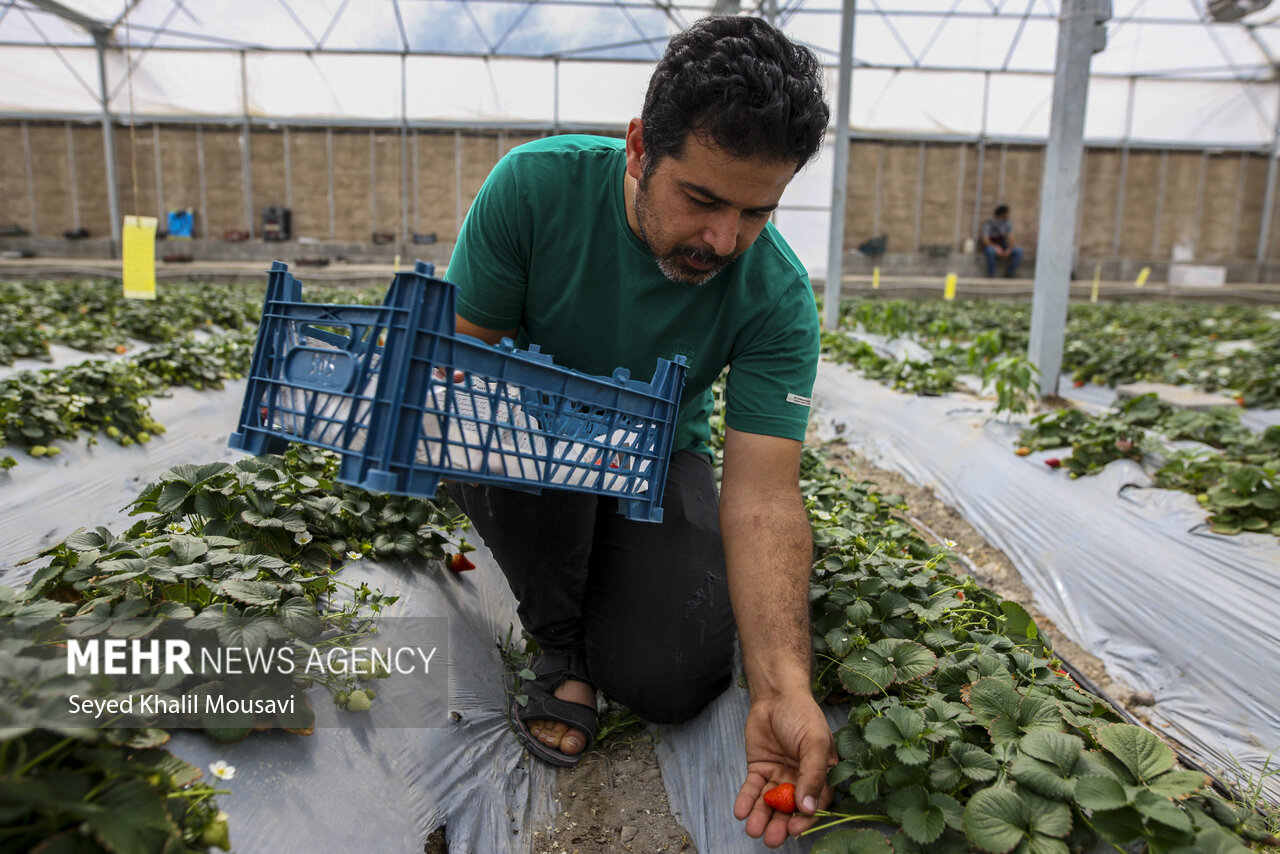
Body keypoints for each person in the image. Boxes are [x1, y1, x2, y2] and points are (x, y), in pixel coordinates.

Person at [444, 15, 835, 848]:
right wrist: (555, 441)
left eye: (757, 211)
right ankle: (562, 649)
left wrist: (780, 688)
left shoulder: (774, 294)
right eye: (701, 199)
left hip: (658, 455)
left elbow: (764, 495)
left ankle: (605, 618)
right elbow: (462, 375)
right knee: (500, 450)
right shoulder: (533, 190)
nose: (724, 240)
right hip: (523, 436)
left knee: (673, 675)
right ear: (638, 147)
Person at [980, 204, 1024, 277]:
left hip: (1003, 246)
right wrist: (996, 247)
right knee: (989, 251)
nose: (1006, 216)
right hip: (992, 246)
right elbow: (985, 240)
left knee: (1018, 251)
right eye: (1005, 214)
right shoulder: (989, 223)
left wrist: (1009, 249)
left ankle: (1009, 274)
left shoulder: (1007, 223)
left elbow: (1011, 237)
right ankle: (991, 274)